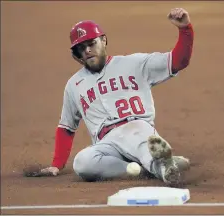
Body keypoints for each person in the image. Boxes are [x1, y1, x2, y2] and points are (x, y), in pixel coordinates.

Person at [30, 8, 194, 187]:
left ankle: (164, 170)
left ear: (104, 40)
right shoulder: (73, 85)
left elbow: (178, 61)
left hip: (136, 127)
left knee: (141, 142)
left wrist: (185, 29)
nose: (87, 50)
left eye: (91, 43)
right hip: (107, 144)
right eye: (81, 48)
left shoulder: (134, 63)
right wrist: (56, 165)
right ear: (76, 55)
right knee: (82, 162)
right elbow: (66, 127)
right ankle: (143, 168)